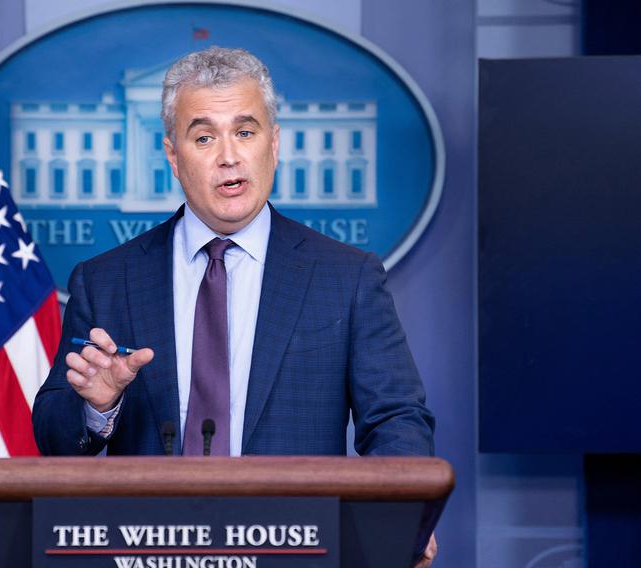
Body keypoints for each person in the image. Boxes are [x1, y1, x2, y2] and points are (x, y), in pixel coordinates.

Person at [32, 45, 438, 567]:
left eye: (245, 132)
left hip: (300, 549)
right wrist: (99, 404)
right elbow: (55, 438)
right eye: (204, 137)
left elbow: (398, 420)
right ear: (173, 157)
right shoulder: (107, 280)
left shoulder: (345, 276)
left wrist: (395, 515)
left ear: (274, 143)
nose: (229, 155)